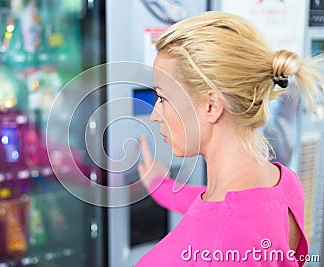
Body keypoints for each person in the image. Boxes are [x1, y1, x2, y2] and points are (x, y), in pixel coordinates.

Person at [136, 11, 324, 266]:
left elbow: (223, 221)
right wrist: (161, 186)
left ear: (211, 106)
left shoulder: (212, 246)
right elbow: (226, 208)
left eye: (163, 98)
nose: (155, 114)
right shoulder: (286, 184)